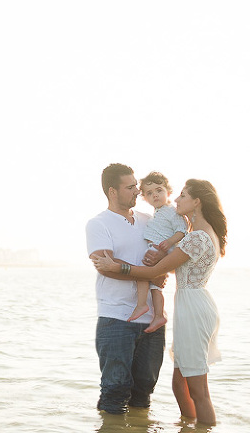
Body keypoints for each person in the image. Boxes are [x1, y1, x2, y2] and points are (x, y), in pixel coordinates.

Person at [92, 179, 227, 426]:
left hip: (194, 309)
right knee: (180, 383)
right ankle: (188, 426)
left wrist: (117, 267)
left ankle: (203, 427)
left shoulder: (197, 237)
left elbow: (155, 270)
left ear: (196, 202)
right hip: (191, 305)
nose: (176, 200)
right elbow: (172, 268)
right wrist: (161, 265)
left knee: (198, 391)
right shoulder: (199, 235)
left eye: (183, 195)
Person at [86, 163, 167, 416]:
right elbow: (105, 266)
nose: (137, 191)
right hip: (116, 318)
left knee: (144, 391)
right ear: (113, 191)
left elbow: (164, 258)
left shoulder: (149, 221)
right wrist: (150, 272)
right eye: (130, 187)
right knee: (114, 390)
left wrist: (159, 269)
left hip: (152, 321)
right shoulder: (99, 224)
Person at [130, 172, 188, 333]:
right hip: (157, 249)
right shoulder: (158, 213)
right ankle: (158, 315)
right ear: (145, 198)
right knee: (156, 286)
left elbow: (182, 230)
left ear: (168, 192)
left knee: (141, 274)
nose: (155, 195)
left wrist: (169, 242)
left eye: (159, 190)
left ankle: (141, 305)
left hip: (162, 249)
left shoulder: (171, 211)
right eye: (149, 193)